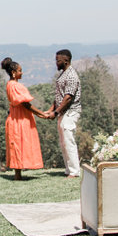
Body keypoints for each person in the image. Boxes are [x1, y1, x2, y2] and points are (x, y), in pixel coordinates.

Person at [1, 57, 47, 180]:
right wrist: (41, 113)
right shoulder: (14, 85)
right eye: (20, 71)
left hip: (18, 117)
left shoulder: (11, 85)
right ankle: (17, 174)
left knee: (19, 143)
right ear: (13, 72)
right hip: (19, 119)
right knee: (18, 143)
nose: (22, 73)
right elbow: (25, 104)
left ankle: (18, 174)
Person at [42, 49, 82, 177]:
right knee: (63, 141)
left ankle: (75, 171)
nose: (56, 63)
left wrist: (56, 112)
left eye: (58, 60)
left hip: (70, 112)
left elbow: (68, 97)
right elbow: (59, 96)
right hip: (62, 113)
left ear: (66, 60)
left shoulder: (71, 75)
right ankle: (68, 169)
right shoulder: (63, 74)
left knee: (68, 140)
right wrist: (51, 110)